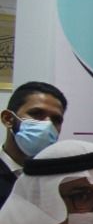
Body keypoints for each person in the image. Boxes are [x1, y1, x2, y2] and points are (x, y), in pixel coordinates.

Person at [1, 81, 67, 209]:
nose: (48, 125)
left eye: (56, 120)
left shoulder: (61, 181)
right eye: (36, 114)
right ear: (8, 119)